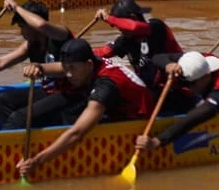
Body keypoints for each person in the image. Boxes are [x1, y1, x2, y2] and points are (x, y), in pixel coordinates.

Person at [15, 39, 151, 173]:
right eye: (66, 68)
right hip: (114, 106)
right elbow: (60, 67)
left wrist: (37, 161)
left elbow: (77, 133)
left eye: (72, 69)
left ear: (89, 65)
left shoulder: (105, 86)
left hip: (136, 120)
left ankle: (55, 155)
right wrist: (38, 67)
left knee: (70, 118)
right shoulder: (88, 62)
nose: (68, 74)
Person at [135, 51, 219, 152]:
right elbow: (158, 57)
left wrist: (158, 141)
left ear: (206, 76)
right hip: (217, 95)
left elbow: (196, 117)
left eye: (191, 84)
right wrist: (168, 65)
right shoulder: (202, 59)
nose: (189, 87)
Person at [0, 0, 72, 79]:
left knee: (17, 116)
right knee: (3, 100)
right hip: (49, 91)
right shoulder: (30, 45)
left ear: (32, 25)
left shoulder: (59, 34)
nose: (21, 33)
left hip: (70, 93)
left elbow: (41, 25)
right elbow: (0, 63)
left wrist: (16, 7)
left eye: (22, 27)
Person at [92, 0, 180, 91]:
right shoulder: (126, 40)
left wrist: (108, 18)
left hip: (174, 85)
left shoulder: (156, 27)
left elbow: (134, 27)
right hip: (150, 90)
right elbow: (102, 52)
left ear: (134, 17)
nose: (119, 29)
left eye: (120, 25)